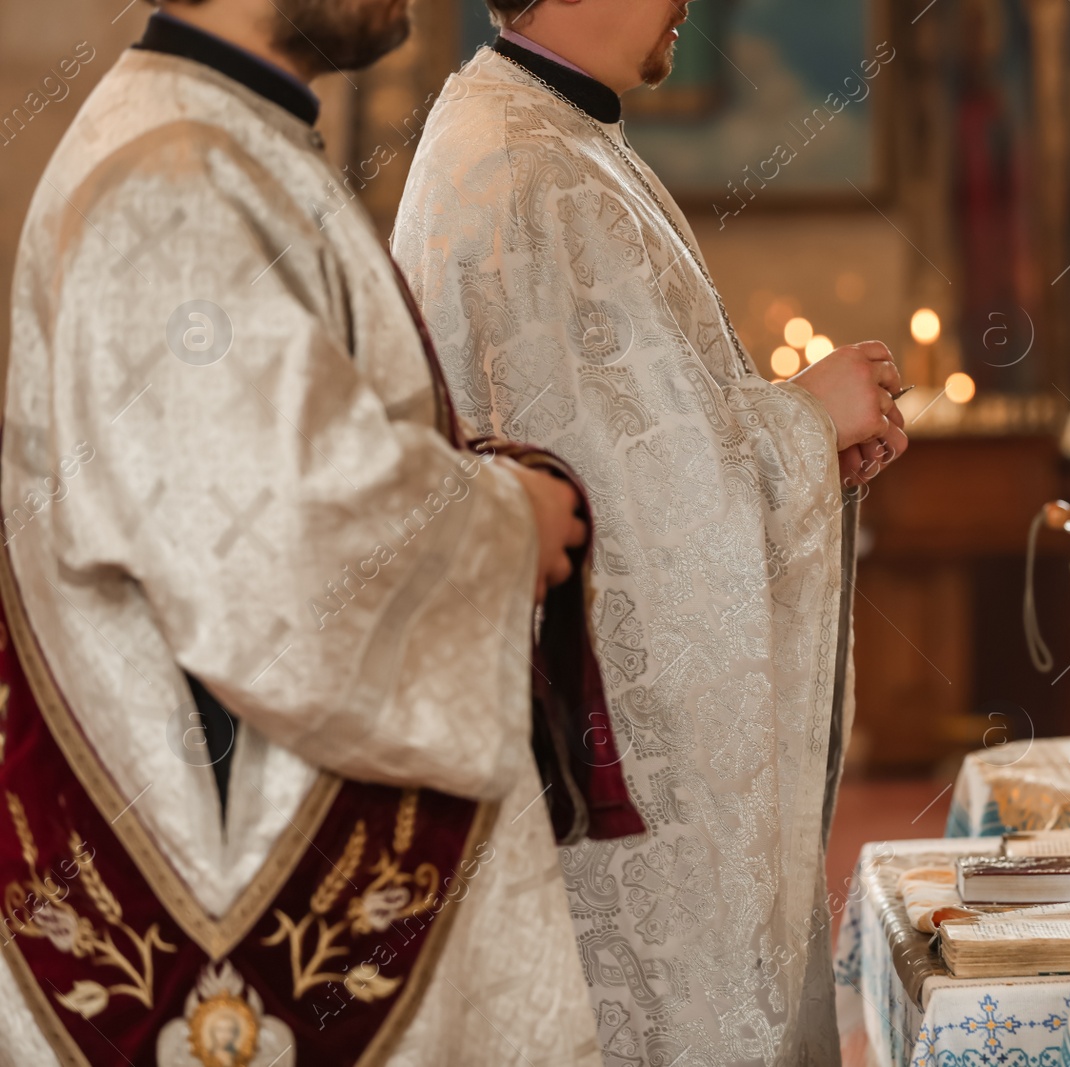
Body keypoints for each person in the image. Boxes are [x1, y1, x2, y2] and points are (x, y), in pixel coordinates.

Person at [0, 0, 623, 1063]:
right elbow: (270, 545)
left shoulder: (224, 137)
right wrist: (502, 522)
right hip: (227, 903)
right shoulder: (171, 179)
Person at [393, 1, 909, 1062]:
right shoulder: (524, 168)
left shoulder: (543, 130)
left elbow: (640, 444)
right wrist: (806, 420)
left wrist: (805, 445)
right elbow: (631, 518)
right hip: (605, 781)